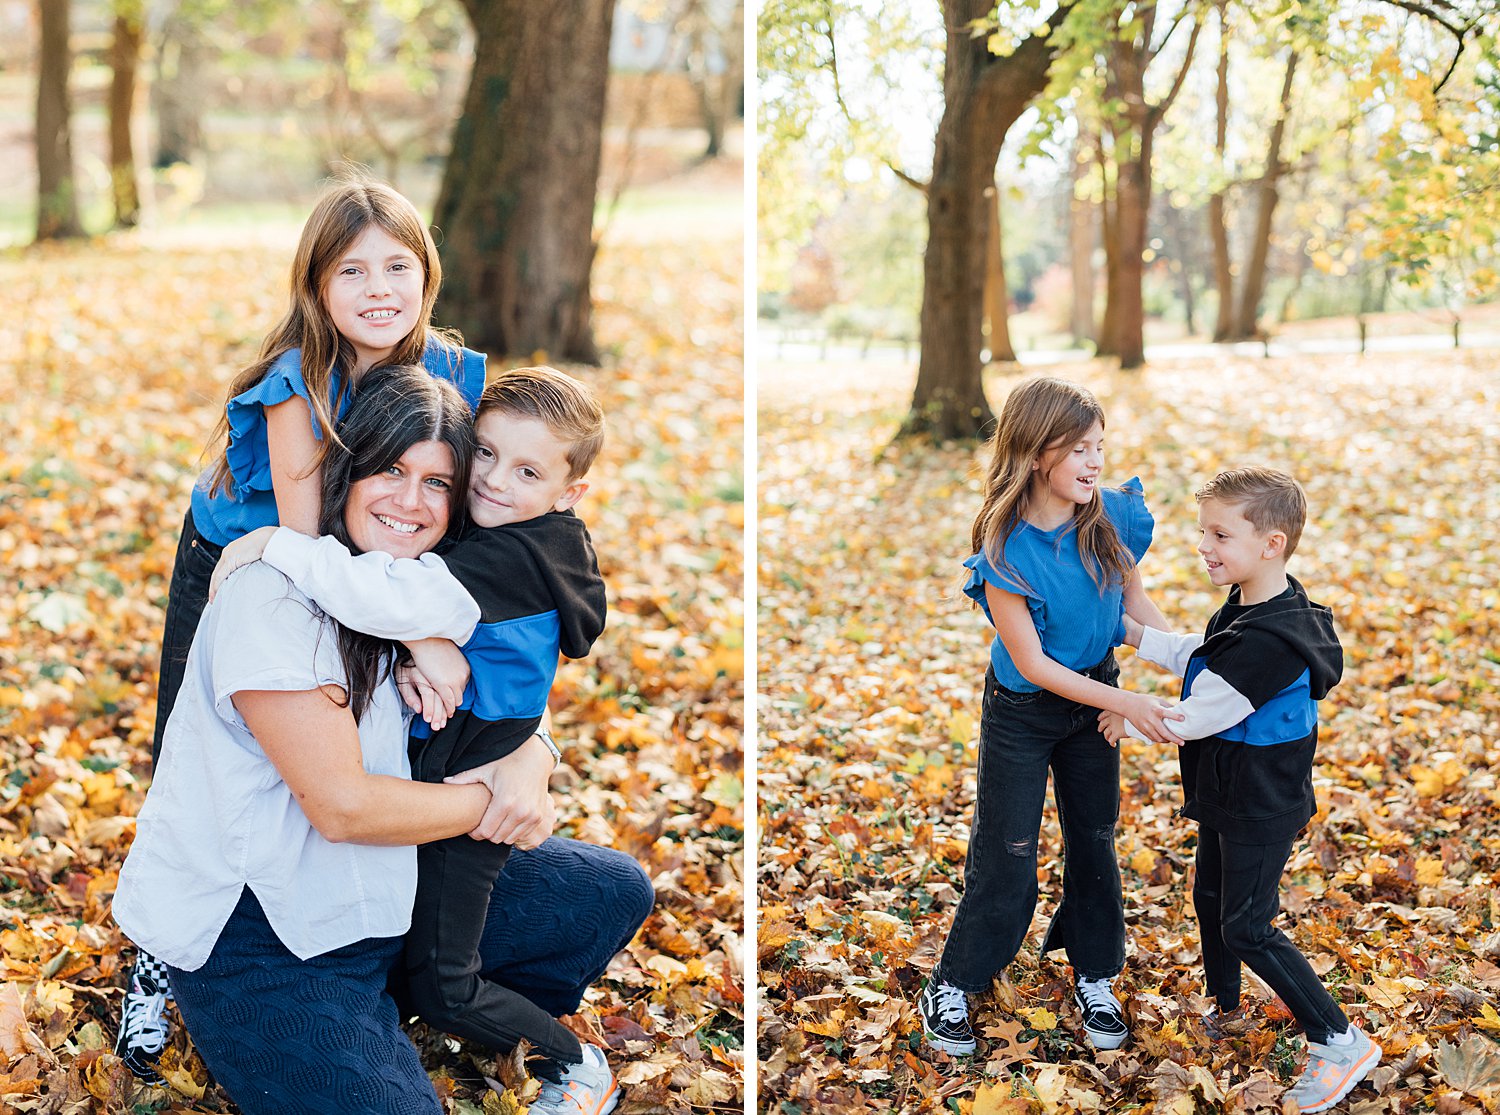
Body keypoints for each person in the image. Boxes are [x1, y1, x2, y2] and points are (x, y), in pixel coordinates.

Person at [113, 368, 647, 1115]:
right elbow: (344, 808)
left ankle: (420, 999)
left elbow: (505, 675)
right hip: (269, 937)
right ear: (347, 467)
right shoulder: (280, 594)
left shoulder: (417, 579)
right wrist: (490, 798)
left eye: (437, 481)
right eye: (390, 469)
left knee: (609, 892)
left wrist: (535, 752)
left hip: (386, 887)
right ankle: (339, 1025)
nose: (410, 500)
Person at [116, 175, 498, 1078]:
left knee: (364, 730)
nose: (378, 288)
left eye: (398, 265)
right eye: (352, 270)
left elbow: (452, 510)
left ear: (427, 273)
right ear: (316, 287)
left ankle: (368, 919)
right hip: (250, 558)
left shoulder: (451, 372)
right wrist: (420, 634)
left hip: (373, 555)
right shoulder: (299, 383)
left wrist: (436, 627)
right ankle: (159, 950)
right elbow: (305, 536)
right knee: (198, 754)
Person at [918, 376, 1186, 1058]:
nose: (1094, 463)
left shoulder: (1115, 515)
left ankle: (1095, 972)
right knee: (1007, 852)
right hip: (1025, 712)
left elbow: (1134, 610)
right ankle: (956, 980)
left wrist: (1189, 661)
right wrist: (1125, 702)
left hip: (1096, 698)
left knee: (1094, 839)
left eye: (1099, 446)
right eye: (1078, 450)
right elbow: (1033, 663)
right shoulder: (1007, 550)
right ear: (1038, 453)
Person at [1099, 467, 1379, 1112]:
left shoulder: (1276, 639)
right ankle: (1226, 1005)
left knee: (1249, 925)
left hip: (1260, 803)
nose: (1205, 546)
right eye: (1204, 531)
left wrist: (1131, 715)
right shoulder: (1253, 606)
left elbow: (1207, 708)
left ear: (1271, 544)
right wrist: (1141, 636)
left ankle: (1338, 1038)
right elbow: (1208, 653)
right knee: (1210, 898)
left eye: (1221, 534)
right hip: (1232, 791)